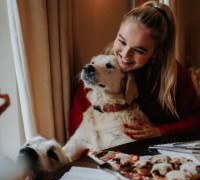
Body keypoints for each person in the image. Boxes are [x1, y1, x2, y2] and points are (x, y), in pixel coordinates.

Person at [68, 1, 200, 140]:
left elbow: (197, 119)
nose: (125, 54)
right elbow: (77, 131)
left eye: (139, 50)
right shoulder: (97, 70)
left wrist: (161, 131)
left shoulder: (174, 75)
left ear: (156, 52)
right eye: (122, 41)